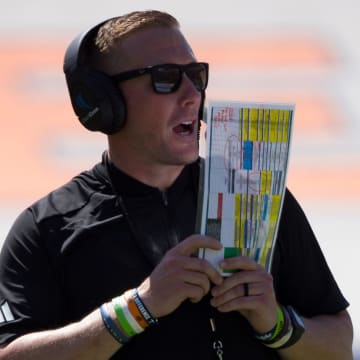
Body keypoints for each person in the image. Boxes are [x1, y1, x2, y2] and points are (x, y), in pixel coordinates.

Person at [0, 10, 353, 360]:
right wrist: (137, 308)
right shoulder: (46, 227)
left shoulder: (256, 197)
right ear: (103, 101)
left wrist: (278, 325)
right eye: (165, 78)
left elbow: (338, 345)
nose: (192, 95)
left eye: (196, 76)